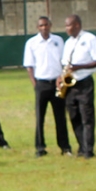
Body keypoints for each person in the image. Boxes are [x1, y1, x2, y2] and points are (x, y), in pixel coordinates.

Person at [61, 14, 96, 159]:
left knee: (87, 117)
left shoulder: (90, 39)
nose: (67, 28)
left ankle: (89, 150)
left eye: (69, 25)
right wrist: (60, 78)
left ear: (77, 25)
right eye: (66, 25)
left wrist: (79, 67)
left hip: (84, 82)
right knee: (74, 116)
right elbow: (65, 63)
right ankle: (81, 147)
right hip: (70, 83)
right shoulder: (68, 43)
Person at [24, 16, 69, 157]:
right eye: (41, 25)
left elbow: (64, 62)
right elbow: (29, 66)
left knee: (60, 117)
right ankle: (40, 147)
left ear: (50, 25)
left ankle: (65, 147)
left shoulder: (58, 41)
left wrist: (61, 78)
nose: (44, 28)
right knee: (40, 117)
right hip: (41, 83)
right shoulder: (31, 43)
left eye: (46, 25)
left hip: (57, 83)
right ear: (38, 27)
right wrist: (35, 84)